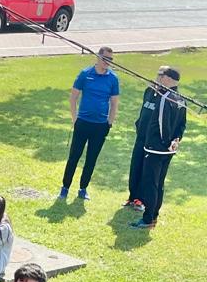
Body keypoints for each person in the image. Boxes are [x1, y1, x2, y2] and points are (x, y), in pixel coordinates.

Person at [128, 67, 185, 231]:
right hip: (168, 150)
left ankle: (147, 219)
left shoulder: (165, 98)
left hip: (156, 149)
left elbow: (161, 124)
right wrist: (176, 139)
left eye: (162, 76)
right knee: (159, 183)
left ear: (168, 78)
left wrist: (166, 141)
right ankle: (154, 215)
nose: (159, 78)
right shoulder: (181, 99)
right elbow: (182, 124)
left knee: (150, 184)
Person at [59, 48, 120, 202]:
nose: (108, 62)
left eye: (111, 59)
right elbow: (73, 97)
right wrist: (75, 119)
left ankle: (83, 188)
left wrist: (109, 123)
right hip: (83, 123)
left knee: (91, 159)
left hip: (100, 126)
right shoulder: (85, 74)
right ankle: (65, 187)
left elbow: (114, 103)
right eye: (106, 58)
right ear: (98, 57)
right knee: (74, 156)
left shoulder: (113, 78)